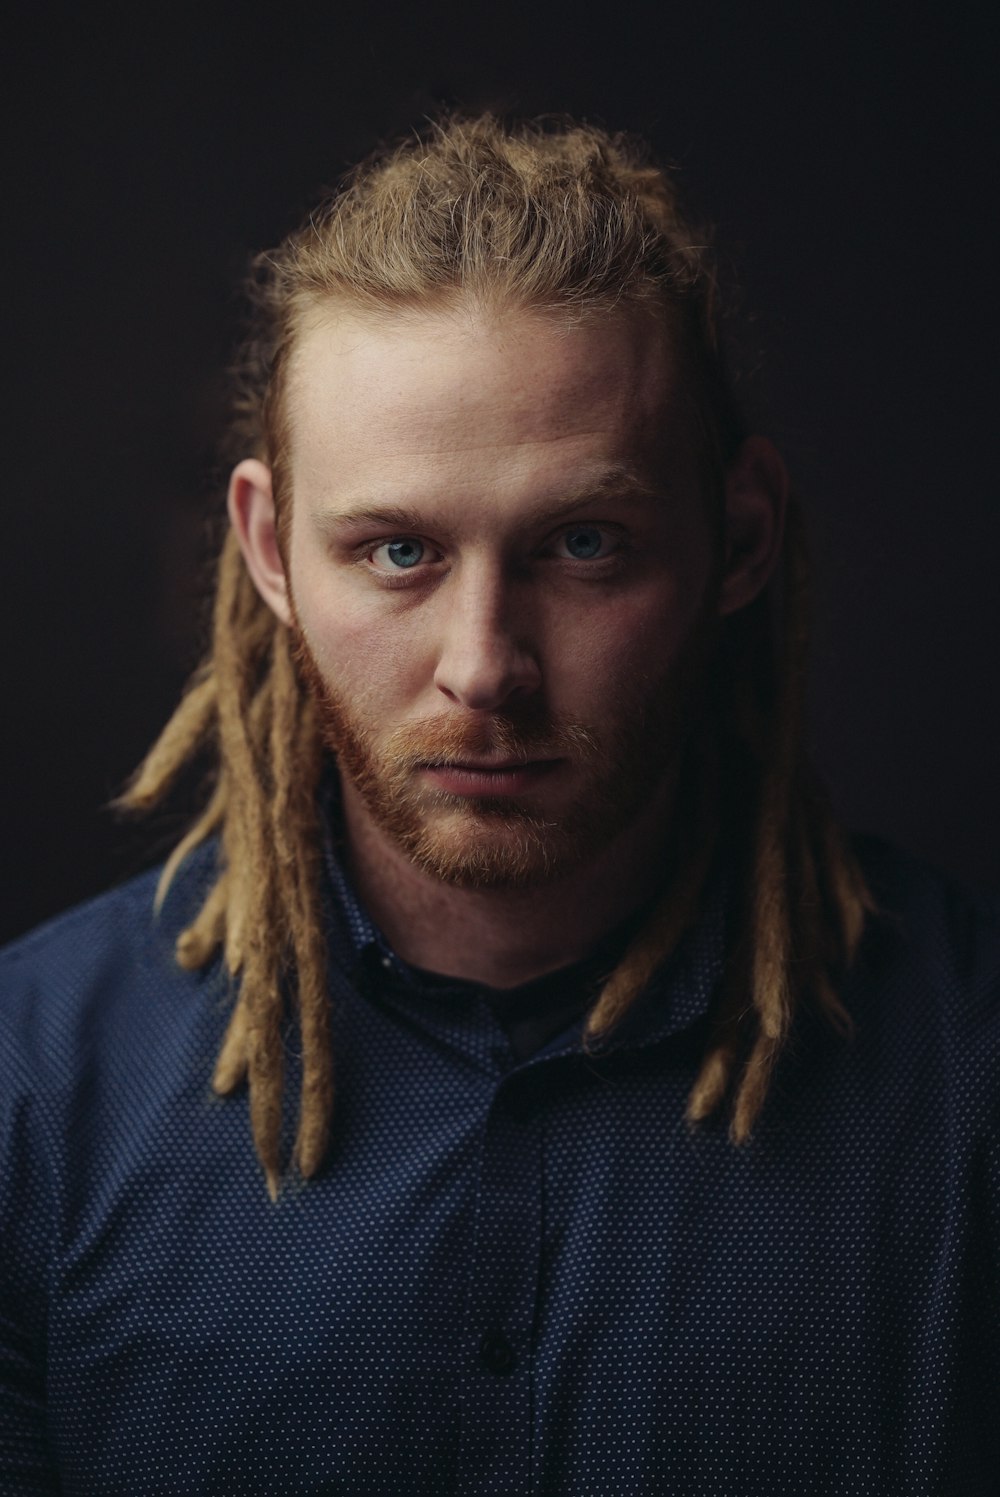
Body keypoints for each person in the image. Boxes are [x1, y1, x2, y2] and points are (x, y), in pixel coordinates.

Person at [1, 115, 996, 1497]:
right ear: (271, 549)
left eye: (585, 545)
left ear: (741, 537)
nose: (485, 665)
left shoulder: (967, 1085)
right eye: (397, 550)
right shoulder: (31, 1098)